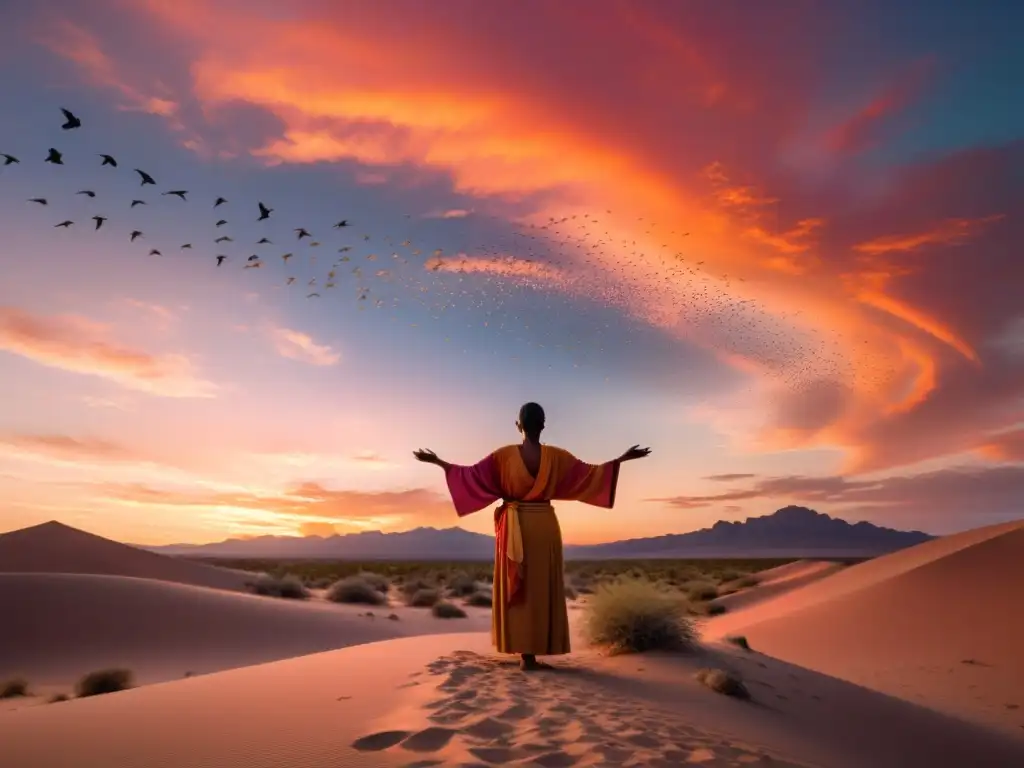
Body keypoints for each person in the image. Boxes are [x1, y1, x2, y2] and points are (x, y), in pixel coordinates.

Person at [413, 402, 651, 671]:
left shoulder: (502, 457)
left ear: (518, 426)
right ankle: (537, 648)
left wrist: (437, 462)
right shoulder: (557, 457)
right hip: (544, 526)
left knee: (521, 588)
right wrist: (621, 459)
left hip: (515, 526)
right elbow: (590, 475)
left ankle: (525, 654)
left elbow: (470, 476)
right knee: (541, 588)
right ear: (544, 425)